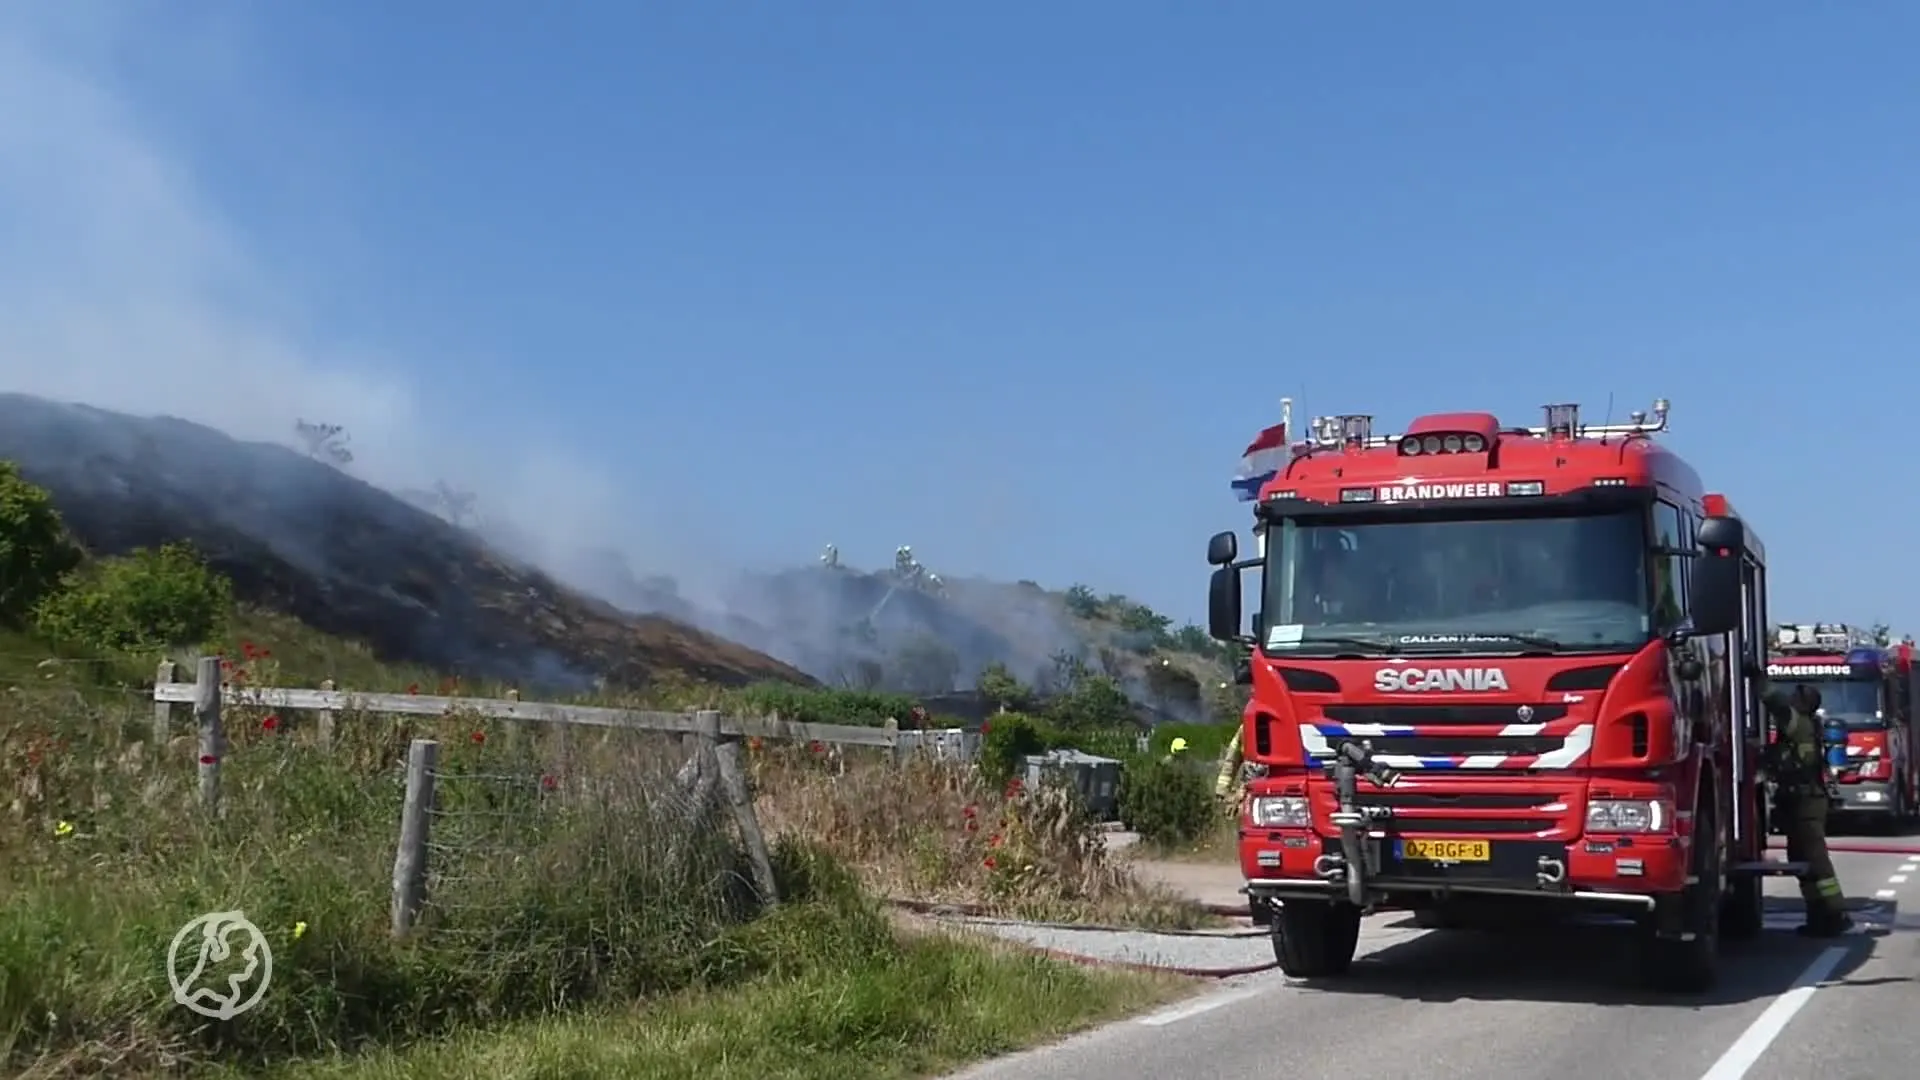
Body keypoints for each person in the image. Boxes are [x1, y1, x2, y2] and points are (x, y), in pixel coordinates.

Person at [1761, 682, 1853, 936]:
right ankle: (1817, 917)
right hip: (1800, 802)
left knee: (1816, 862)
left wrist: (1758, 680)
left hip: (1806, 803)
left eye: (1795, 696)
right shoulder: (1805, 725)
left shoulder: (1798, 723)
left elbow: (1776, 704)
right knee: (1802, 860)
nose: (1790, 698)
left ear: (1802, 703)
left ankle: (1836, 913)